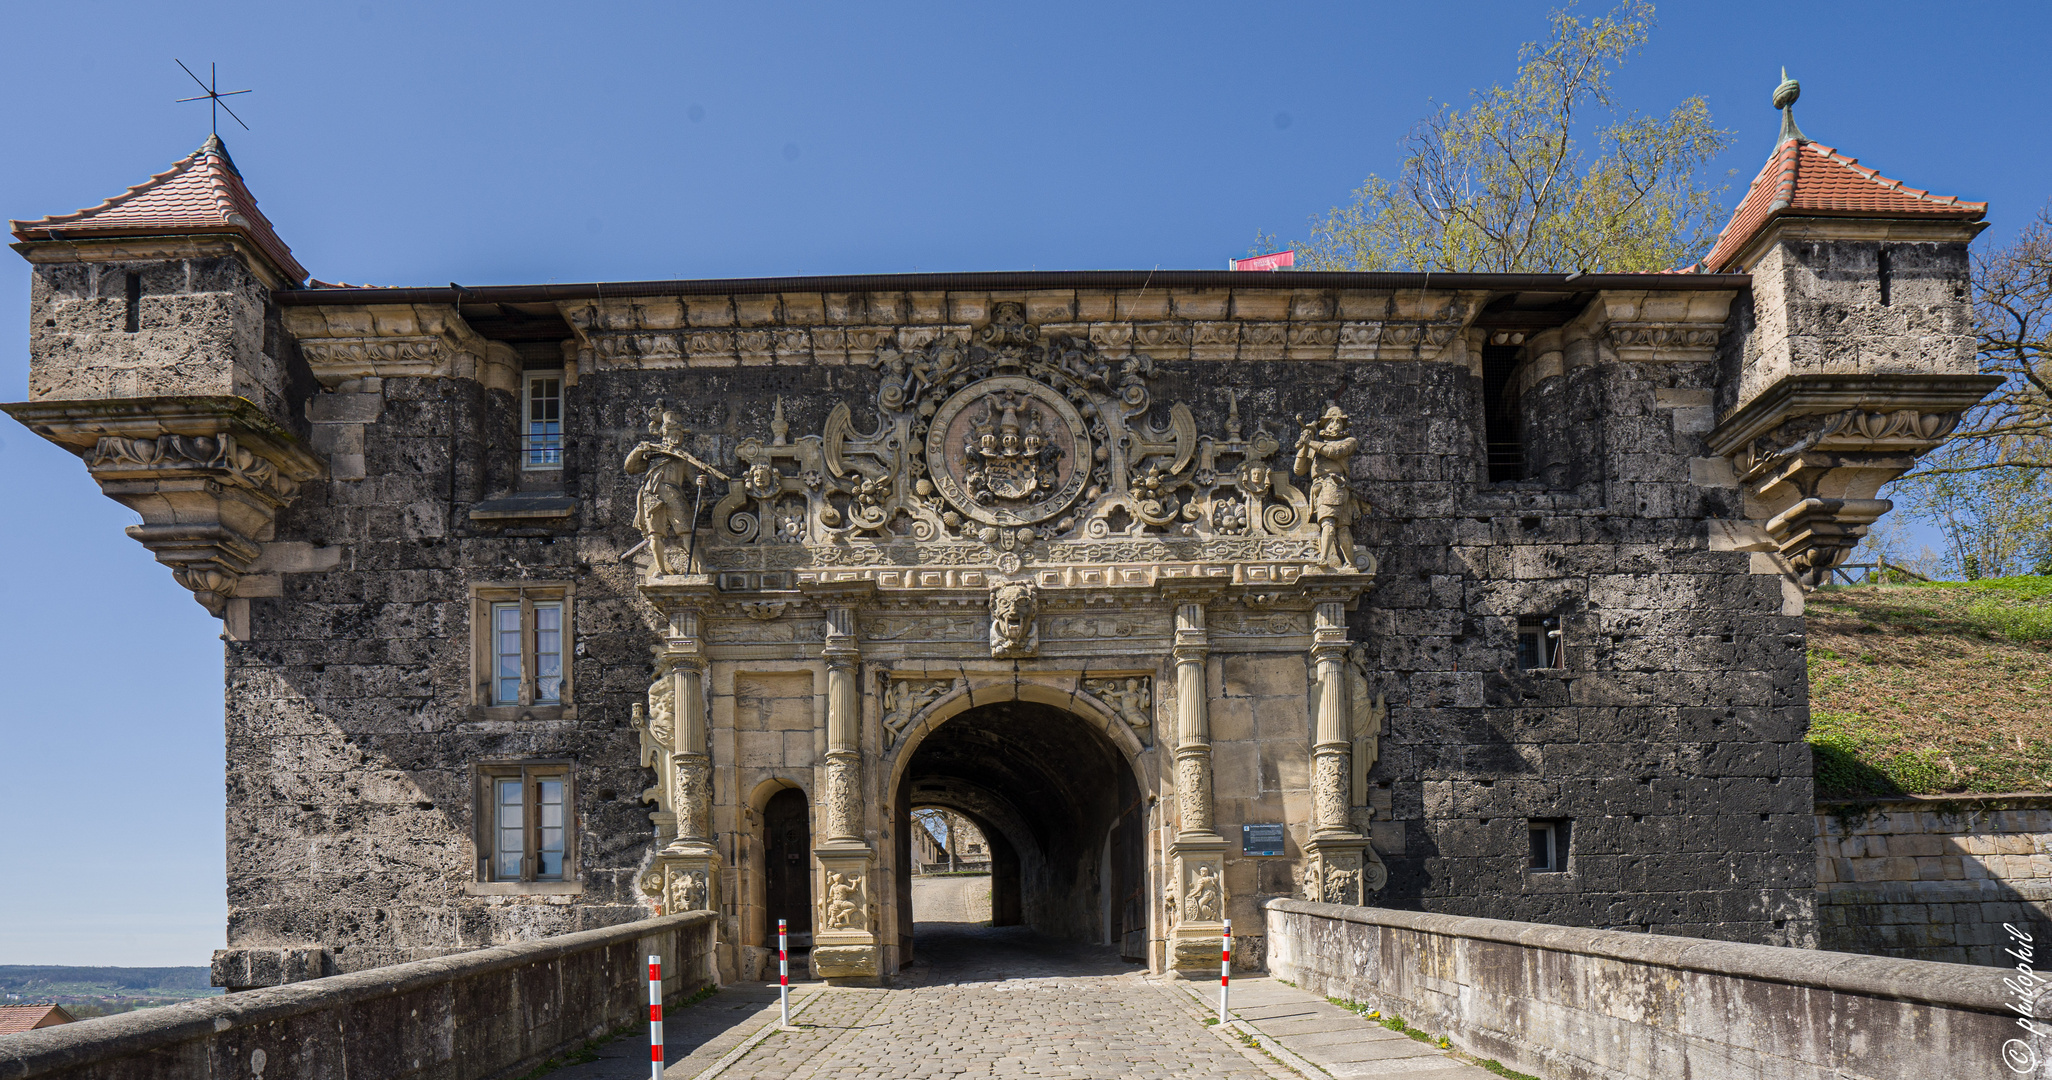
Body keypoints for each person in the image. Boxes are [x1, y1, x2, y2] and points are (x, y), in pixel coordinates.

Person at [1293, 405, 1360, 570]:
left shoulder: (1350, 442)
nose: (1335, 425)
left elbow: (1335, 452)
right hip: (1322, 487)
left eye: (1339, 422)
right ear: (1324, 425)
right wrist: (1304, 446)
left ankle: (1324, 559)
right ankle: (1349, 564)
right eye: (1331, 421)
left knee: (1330, 523)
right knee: (1340, 527)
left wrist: (1310, 442)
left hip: (1333, 485)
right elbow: (1299, 470)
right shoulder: (1316, 446)